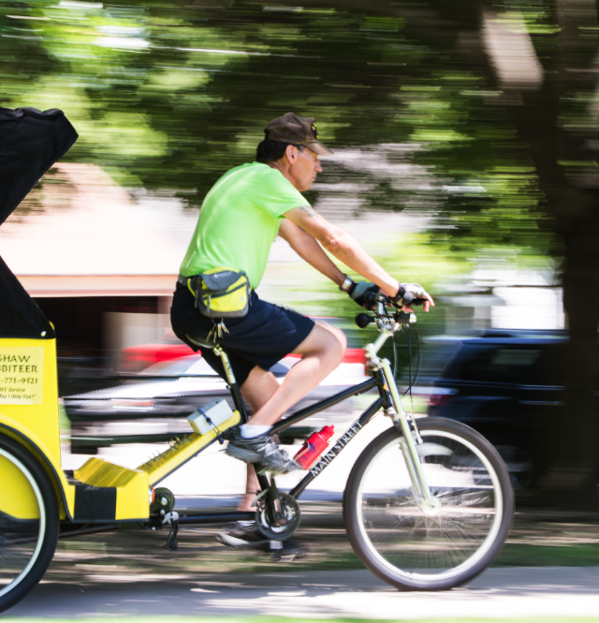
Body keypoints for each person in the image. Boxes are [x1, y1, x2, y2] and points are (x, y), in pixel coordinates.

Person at [168, 112, 433, 547]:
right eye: (314, 156)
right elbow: (333, 237)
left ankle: (254, 516)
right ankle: (253, 434)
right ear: (291, 154)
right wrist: (395, 288)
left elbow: (301, 240)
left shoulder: (244, 178)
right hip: (220, 304)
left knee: (269, 403)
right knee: (331, 344)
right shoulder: (267, 180)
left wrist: (351, 286)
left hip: (194, 309)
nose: (319, 166)